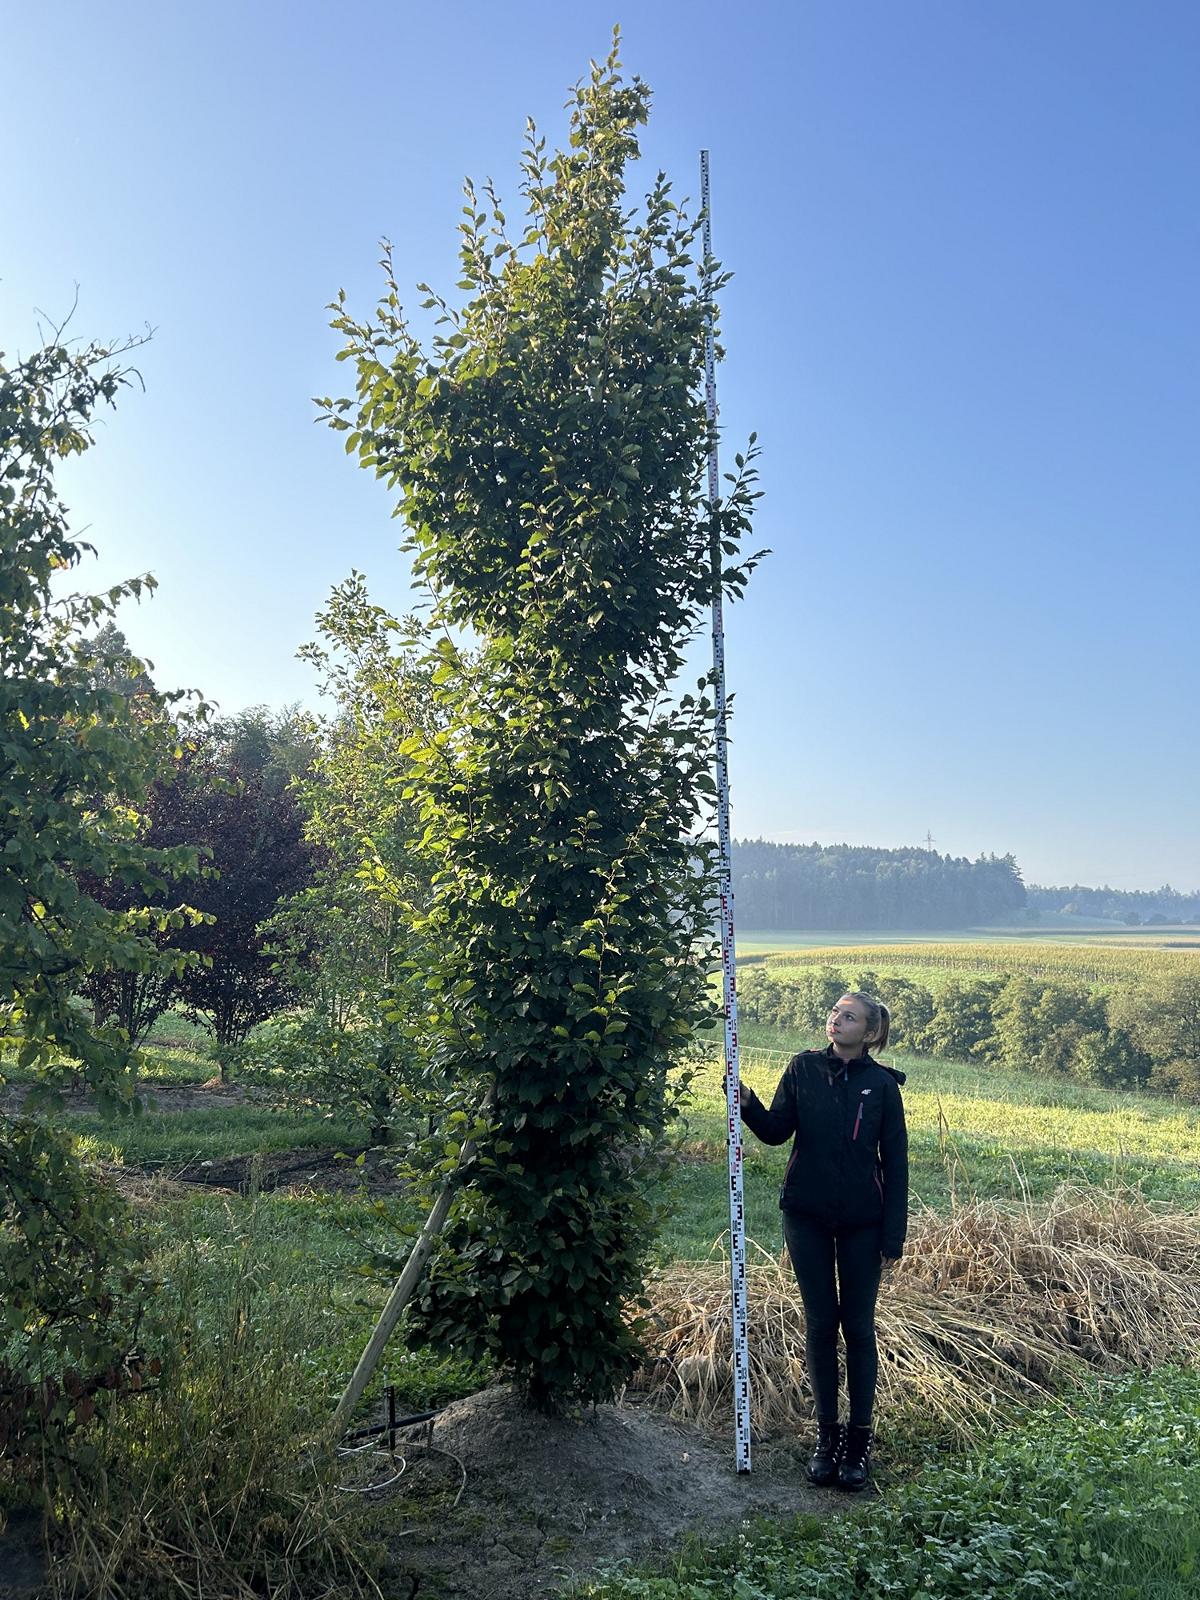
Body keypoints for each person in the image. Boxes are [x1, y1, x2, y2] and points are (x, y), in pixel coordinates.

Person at [738, 991, 908, 1491]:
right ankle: (826, 1439)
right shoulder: (803, 1069)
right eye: (834, 1011)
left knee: (857, 1326)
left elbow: (895, 1165)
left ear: (870, 1032)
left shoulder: (881, 1088)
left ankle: (859, 1443)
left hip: (864, 1223)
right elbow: (774, 1131)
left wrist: (892, 1237)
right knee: (820, 1322)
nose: (836, 1019)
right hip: (806, 1215)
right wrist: (747, 1105)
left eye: (848, 1015)